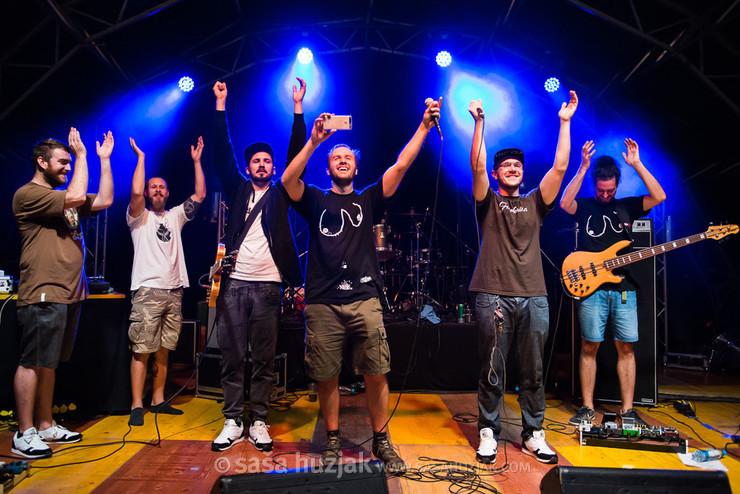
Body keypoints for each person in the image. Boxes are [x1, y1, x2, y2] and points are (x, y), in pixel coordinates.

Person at [281, 98, 441, 473]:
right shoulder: (315, 199)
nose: (342, 160)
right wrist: (315, 140)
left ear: (356, 166)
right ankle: (333, 438)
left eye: (347, 157)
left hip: (365, 298)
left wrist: (424, 126)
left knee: (376, 370)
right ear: (328, 166)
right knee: (325, 373)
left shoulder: (368, 198)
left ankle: (381, 441)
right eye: (335, 157)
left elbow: (401, 165)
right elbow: (288, 180)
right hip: (322, 301)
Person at [468, 92, 578, 465]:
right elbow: (478, 168)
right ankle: (488, 431)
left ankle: (533, 433)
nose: (513, 168)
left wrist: (564, 122)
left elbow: (560, 169)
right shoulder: (488, 202)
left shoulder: (535, 202)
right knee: (493, 366)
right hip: (492, 295)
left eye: (517, 165)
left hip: (534, 295)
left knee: (533, 370)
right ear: (499, 174)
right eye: (507, 166)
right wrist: (480, 123)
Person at [209, 78, 307, 452]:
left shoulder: (282, 192)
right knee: (232, 355)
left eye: (267, 160)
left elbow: (298, 152)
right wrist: (221, 105)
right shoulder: (237, 189)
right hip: (234, 284)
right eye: (256, 161)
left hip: (269, 286)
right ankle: (233, 419)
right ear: (248, 167)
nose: (262, 165)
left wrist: (297, 108)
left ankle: (260, 420)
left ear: (273, 166)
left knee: (264, 358)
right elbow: (222, 150)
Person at [11, 128, 114, 458]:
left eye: (70, 163)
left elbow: (106, 200)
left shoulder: (62, 198)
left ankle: (45, 423)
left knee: (50, 363)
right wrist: (82, 156)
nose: (68, 167)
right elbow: (74, 196)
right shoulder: (28, 194)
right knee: (32, 361)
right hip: (44, 290)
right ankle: (24, 432)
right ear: (41, 162)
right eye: (62, 162)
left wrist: (104, 160)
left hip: (69, 293)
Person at [560, 139, 666, 427]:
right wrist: (582, 167)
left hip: (623, 290)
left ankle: (628, 410)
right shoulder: (586, 206)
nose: (605, 194)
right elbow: (564, 203)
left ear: (617, 185)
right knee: (588, 346)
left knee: (626, 348)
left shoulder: (627, 207)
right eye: (601, 189)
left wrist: (637, 164)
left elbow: (659, 196)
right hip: (591, 289)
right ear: (595, 184)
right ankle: (586, 407)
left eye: (610, 189)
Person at [126, 136, 206, 426]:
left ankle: (158, 400)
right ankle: (137, 404)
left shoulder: (174, 217)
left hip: (174, 291)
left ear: (168, 193)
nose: (157, 190)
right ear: (148, 193)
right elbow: (135, 192)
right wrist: (141, 158)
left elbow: (199, 195)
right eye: (153, 187)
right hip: (147, 290)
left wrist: (196, 161)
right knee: (142, 349)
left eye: (161, 187)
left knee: (163, 349)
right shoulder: (138, 217)